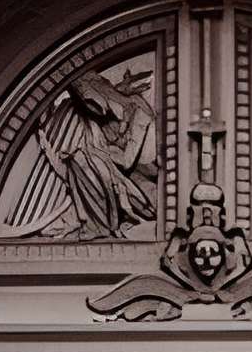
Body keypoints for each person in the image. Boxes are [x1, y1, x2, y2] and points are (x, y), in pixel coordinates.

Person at [35, 68, 159, 239]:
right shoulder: (92, 120)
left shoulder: (139, 115)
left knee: (143, 197)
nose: (88, 105)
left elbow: (126, 161)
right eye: (84, 100)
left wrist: (100, 151)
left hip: (141, 176)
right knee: (87, 166)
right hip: (110, 172)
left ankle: (106, 219)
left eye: (90, 100)